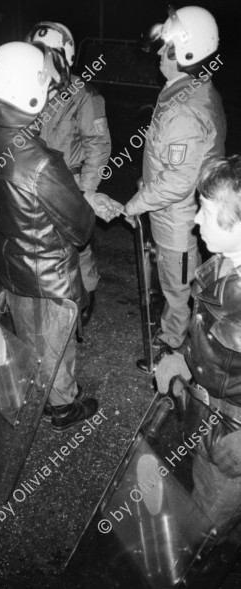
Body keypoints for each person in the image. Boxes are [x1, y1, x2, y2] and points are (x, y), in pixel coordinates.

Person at [0, 41, 120, 431]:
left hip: (11, 264)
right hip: (50, 273)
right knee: (57, 345)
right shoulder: (40, 161)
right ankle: (63, 407)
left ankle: (48, 390)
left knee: (31, 337)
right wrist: (89, 204)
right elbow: (80, 228)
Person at [121, 6, 226, 373]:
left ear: (184, 54)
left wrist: (135, 203)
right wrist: (146, 183)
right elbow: (171, 161)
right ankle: (172, 333)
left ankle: (172, 351)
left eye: (166, 49)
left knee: (177, 287)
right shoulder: (186, 90)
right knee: (173, 281)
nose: (159, 56)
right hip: (174, 212)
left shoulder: (185, 108)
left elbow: (178, 181)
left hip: (177, 219)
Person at [156, 155, 241, 536]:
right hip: (209, 417)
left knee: (204, 531)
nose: (194, 220)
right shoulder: (225, 261)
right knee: (199, 498)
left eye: (206, 211)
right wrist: (186, 361)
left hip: (233, 439)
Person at [26, 22, 112, 327]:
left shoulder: (84, 95)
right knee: (39, 242)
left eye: (49, 56)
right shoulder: (27, 88)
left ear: (65, 57)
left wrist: (87, 191)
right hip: (37, 181)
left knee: (80, 244)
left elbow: (99, 146)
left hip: (72, 181)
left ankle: (87, 292)